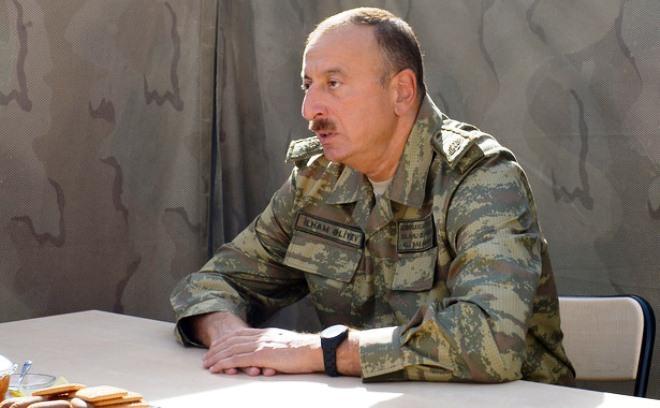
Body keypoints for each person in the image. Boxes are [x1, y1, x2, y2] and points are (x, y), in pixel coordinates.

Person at [170, 7, 575, 384]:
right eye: (308, 85)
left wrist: (321, 351)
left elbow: (491, 342)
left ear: (401, 91)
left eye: (333, 83)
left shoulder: (478, 178)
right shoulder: (318, 180)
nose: (310, 109)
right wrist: (230, 337)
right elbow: (214, 281)